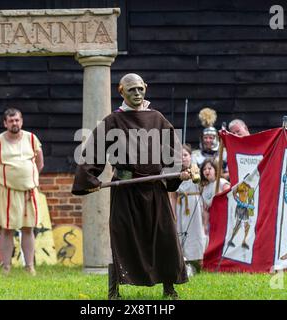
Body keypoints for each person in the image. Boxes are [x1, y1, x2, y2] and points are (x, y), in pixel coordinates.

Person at [72, 73, 189, 300]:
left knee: (164, 236)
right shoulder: (112, 121)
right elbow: (93, 151)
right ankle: (113, 291)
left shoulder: (157, 118)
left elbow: (172, 152)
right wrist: (90, 178)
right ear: (121, 91)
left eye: (140, 89)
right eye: (131, 89)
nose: (137, 93)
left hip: (154, 189)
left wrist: (177, 173)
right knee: (122, 237)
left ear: (145, 88)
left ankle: (169, 287)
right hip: (125, 188)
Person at [0, 108, 44, 275]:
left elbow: (39, 163)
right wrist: (10, 178)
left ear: (21, 121)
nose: (15, 123)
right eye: (11, 121)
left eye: (17, 120)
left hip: (29, 192)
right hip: (8, 191)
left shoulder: (31, 138)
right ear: (5, 123)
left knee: (28, 228)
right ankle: (6, 266)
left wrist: (28, 178)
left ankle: (29, 267)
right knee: (7, 229)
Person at [170, 144, 205, 275]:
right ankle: (183, 263)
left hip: (194, 207)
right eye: (180, 156)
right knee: (180, 232)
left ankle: (197, 262)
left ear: (190, 156)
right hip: (180, 206)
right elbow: (173, 196)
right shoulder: (175, 174)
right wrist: (173, 213)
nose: (183, 158)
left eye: (185, 155)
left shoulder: (197, 170)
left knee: (195, 234)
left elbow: (204, 184)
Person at [200, 158, 230, 242]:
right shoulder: (204, 189)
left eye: (209, 168)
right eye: (204, 169)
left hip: (224, 218)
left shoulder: (222, 182)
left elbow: (230, 201)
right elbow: (206, 210)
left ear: (215, 169)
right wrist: (205, 225)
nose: (207, 171)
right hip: (213, 220)